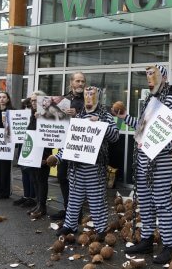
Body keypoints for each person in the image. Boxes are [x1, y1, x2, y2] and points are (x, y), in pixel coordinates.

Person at [120, 65, 172, 265]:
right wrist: (125, 118)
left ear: (163, 76)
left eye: (153, 74)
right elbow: (142, 127)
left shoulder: (171, 98)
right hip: (144, 159)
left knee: (162, 203)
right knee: (145, 200)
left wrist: (157, 143)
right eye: (147, 74)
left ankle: (169, 245)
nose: (149, 78)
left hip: (160, 160)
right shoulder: (149, 99)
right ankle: (147, 240)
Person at [53, 86, 119, 239]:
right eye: (86, 94)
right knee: (74, 199)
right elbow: (70, 141)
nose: (89, 97)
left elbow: (115, 137)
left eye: (92, 94)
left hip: (95, 167)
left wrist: (102, 125)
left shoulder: (105, 116)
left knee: (97, 199)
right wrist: (58, 157)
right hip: (77, 166)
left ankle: (101, 228)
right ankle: (70, 225)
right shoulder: (78, 117)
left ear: (98, 97)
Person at [50, 72, 86, 221]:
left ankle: (77, 214)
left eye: (83, 81)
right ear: (71, 83)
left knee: (77, 181)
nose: (80, 84)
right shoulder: (63, 99)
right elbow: (53, 119)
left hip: (80, 145)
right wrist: (42, 116)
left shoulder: (89, 100)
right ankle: (68, 209)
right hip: (63, 142)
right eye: (77, 81)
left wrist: (77, 115)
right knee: (62, 177)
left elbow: (95, 120)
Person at [26, 91, 54, 219]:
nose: (33, 103)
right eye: (32, 100)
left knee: (42, 180)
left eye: (36, 100)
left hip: (44, 152)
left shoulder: (48, 115)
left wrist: (41, 119)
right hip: (33, 150)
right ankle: (38, 203)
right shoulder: (32, 114)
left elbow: (52, 134)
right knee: (34, 179)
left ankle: (42, 207)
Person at [13, 97, 37, 208]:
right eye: (26, 106)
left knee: (31, 172)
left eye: (30, 106)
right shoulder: (22, 116)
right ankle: (26, 195)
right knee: (24, 171)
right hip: (23, 144)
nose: (28, 108)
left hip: (32, 144)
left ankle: (33, 197)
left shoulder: (36, 116)